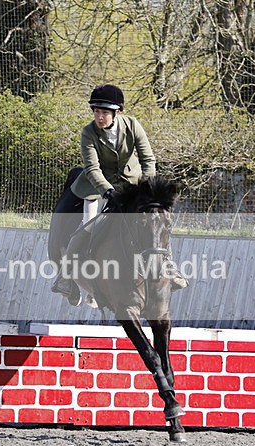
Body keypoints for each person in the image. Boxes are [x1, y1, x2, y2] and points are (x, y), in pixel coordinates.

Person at [48, 83, 186, 305]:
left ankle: (170, 267)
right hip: (96, 186)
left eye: (104, 112)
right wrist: (107, 191)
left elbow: (147, 159)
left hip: (131, 184)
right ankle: (66, 276)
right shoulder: (88, 133)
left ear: (116, 112)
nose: (99, 117)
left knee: (155, 221)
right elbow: (92, 169)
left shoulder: (132, 125)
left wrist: (148, 186)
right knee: (89, 223)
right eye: (96, 112)